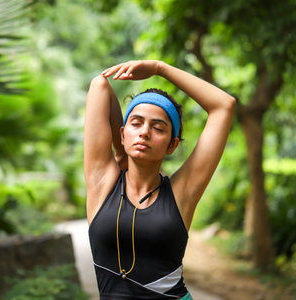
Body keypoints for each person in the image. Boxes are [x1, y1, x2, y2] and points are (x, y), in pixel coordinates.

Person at [84, 60, 236, 300]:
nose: (144, 132)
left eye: (158, 128)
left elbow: (224, 106)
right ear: (123, 134)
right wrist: (121, 150)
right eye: (136, 123)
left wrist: (159, 68)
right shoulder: (102, 183)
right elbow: (100, 85)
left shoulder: (181, 193)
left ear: (172, 144)